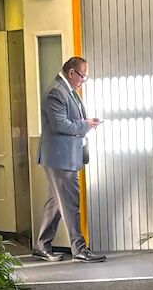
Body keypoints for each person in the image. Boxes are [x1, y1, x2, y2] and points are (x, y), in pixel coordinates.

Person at [34, 54, 104, 262]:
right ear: (71, 73)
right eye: (82, 77)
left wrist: (85, 122)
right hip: (60, 157)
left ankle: (42, 245)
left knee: (56, 203)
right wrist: (86, 125)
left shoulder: (68, 91)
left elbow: (70, 120)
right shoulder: (56, 92)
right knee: (70, 203)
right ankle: (79, 249)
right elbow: (60, 124)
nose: (83, 82)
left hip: (64, 156)